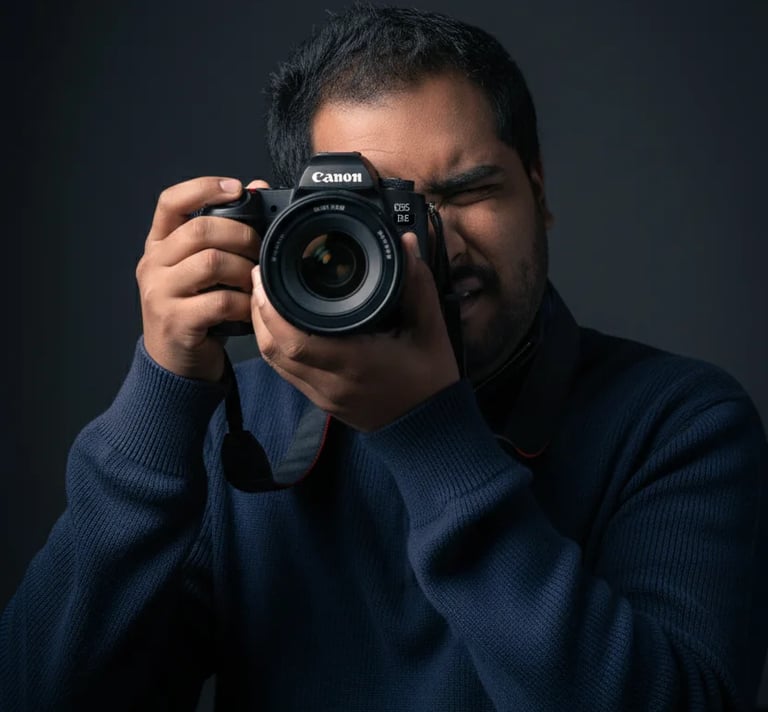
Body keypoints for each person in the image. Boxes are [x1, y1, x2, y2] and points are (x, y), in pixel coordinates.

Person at [2, 3, 767, 710]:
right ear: (292, 221)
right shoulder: (244, 429)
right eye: (384, 210)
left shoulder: (682, 425)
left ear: (539, 193)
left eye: (468, 192)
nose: (432, 245)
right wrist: (163, 396)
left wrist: (428, 433)